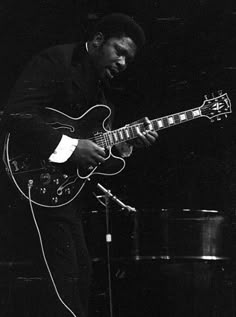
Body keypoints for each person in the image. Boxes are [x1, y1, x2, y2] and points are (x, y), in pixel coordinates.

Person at [0, 13, 158, 317]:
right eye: (119, 51)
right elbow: (15, 114)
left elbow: (91, 143)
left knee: (80, 274)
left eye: (129, 59)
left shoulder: (100, 94)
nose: (123, 63)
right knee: (62, 282)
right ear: (98, 40)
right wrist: (72, 148)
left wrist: (125, 143)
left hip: (61, 195)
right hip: (30, 184)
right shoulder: (57, 60)